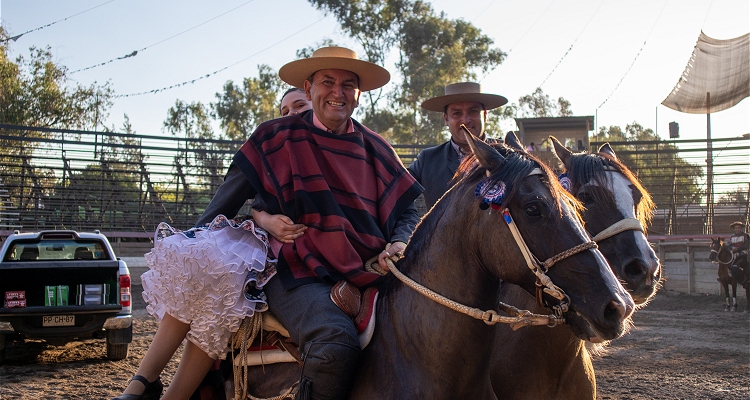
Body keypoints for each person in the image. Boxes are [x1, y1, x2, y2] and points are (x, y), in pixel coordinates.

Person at [115, 46, 423, 400]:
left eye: (348, 84)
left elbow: (407, 211)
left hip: (367, 269)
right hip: (296, 270)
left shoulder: (378, 148)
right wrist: (254, 221)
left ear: (359, 94)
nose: (338, 92)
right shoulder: (273, 137)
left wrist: (399, 241)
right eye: (328, 82)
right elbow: (222, 207)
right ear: (309, 88)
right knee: (334, 344)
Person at [407, 81, 508, 209]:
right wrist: (412, 226)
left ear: (485, 115)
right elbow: (396, 195)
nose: (465, 120)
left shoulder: (509, 154)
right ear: (446, 119)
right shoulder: (428, 160)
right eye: (456, 113)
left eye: (473, 111)